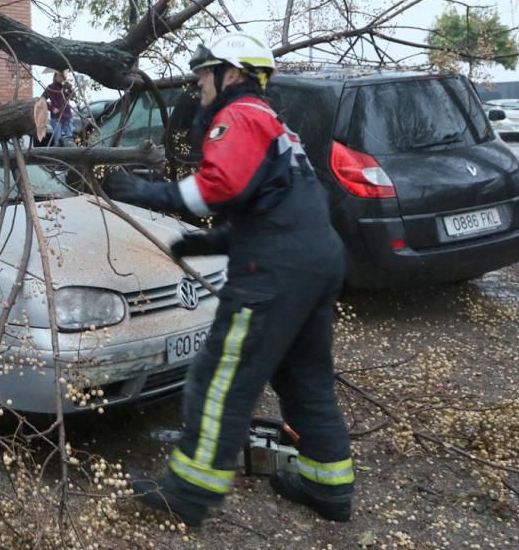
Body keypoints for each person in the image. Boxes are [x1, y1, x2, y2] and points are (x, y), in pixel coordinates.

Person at [102, 32, 353, 528]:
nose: (198, 84)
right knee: (306, 380)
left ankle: (189, 494)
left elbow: (221, 187)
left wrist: (146, 191)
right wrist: (207, 244)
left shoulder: (236, 116)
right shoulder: (276, 125)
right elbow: (274, 208)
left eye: (203, 74)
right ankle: (330, 487)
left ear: (232, 73)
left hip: (274, 272)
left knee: (221, 376)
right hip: (316, 259)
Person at [42, 69, 74, 146]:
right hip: (56, 117)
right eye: (59, 76)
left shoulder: (66, 86)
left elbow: (73, 97)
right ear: (55, 76)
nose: (61, 78)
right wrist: (52, 108)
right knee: (58, 139)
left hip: (67, 116)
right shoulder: (51, 87)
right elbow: (42, 100)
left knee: (70, 138)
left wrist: (70, 89)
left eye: (63, 76)